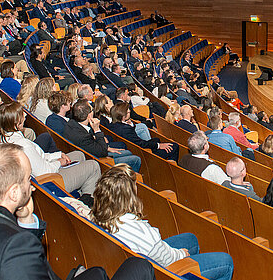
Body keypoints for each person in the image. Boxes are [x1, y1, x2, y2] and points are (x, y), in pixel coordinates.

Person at [0, 144, 154, 280]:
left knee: (97, 273)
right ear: (14, 193)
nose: (33, 187)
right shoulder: (17, 247)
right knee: (140, 266)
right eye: (27, 180)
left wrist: (25, 220)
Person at [90, 165, 234, 280]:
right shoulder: (142, 232)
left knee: (191, 239)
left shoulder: (97, 215)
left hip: (136, 254)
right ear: (128, 196)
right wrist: (182, 254)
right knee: (226, 262)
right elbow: (168, 259)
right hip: (165, 268)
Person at [0, 102, 101, 201]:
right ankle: (89, 202)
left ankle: (82, 193)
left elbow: (37, 157)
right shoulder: (23, 146)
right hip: (49, 180)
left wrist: (57, 155)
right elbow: (44, 171)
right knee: (93, 166)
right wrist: (59, 162)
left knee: (79, 155)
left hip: (43, 170)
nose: (26, 115)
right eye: (22, 114)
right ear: (16, 123)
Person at [64, 99, 141, 172]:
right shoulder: (83, 137)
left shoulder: (71, 124)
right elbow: (102, 152)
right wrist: (97, 130)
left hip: (94, 151)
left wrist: (107, 147)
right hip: (99, 161)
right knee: (136, 159)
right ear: (89, 116)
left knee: (128, 152)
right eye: (92, 110)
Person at [107, 102, 178, 161]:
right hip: (145, 155)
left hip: (136, 148)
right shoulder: (125, 129)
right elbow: (141, 144)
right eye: (128, 112)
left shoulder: (112, 125)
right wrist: (159, 146)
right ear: (123, 116)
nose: (130, 112)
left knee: (156, 139)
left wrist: (130, 124)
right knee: (174, 146)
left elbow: (132, 135)